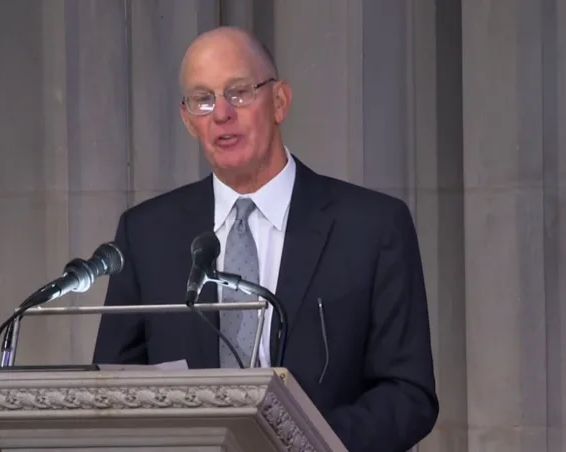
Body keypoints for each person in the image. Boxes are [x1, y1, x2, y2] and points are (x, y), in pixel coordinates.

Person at [92, 26, 438, 451]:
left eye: (238, 92)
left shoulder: (372, 226)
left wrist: (305, 445)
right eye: (203, 100)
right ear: (187, 120)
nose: (221, 114)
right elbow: (112, 387)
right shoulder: (146, 234)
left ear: (279, 101)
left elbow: (408, 393)